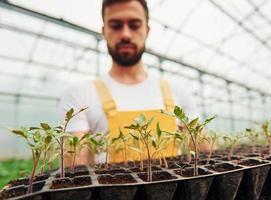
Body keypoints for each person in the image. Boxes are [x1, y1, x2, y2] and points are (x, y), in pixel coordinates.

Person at [58, 0, 197, 166]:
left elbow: (204, 155)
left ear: (147, 30)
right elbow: (75, 173)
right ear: (104, 31)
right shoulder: (79, 95)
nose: (125, 34)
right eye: (116, 25)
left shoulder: (178, 92)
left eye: (135, 25)